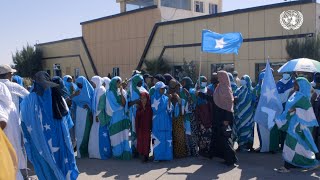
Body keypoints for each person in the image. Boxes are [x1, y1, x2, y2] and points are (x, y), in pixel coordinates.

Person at [21, 71, 79, 180]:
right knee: (62, 167)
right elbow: (68, 123)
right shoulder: (58, 97)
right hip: (59, 142)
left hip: (39, 144)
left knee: (46, 170)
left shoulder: (26, 102)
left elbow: (24, 124)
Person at [275, 77, 319, 173]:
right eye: (294, 84)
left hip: (299, 126)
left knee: (292, 144)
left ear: (301, 85)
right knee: (296, 146)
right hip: (293, 123)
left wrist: (296, 110)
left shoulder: (304, 97)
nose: (294, 86)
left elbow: (308, 113)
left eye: (296, 84)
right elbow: (289, 108)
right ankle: (293, 165)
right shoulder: (295, 94)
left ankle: (288, 166)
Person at [211, 70, 238, 166]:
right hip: (219, 117)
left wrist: (226, 120)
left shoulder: (226, 89)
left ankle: (231, 159)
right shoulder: (219, 87)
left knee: (225, 140)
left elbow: (228, 105)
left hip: (225, 119)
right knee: (223, 140)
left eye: (219, 76)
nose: (218, 78)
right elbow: (214, 100)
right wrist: (201, 95)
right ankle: (228, 158)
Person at [0, 82, 25, 179]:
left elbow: (3, 122)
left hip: (5, 143)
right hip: (13, 142)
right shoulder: (11, 105)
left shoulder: (2, 105)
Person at [106, 76, 132, 160]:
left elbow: (124, 104)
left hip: (122, 116)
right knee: (115, 136)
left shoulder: (123, 92)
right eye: (117, 82)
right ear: (113, 83)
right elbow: (111, 105)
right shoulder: (109, 92)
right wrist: (119, 105)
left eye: (120, 82)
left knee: (124, 135)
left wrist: (121, 93)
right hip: (114, 116)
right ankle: (117, 153)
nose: (119, 84)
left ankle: (125, 152)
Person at [88, 76, 112, 160]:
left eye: (93, 82)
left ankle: (103, 153)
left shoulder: (101, 90)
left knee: (101, 134)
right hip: (95, 114)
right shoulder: (96, 90)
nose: (92, 84)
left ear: (97, 81)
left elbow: (101, 104)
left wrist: (97, 115)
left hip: (100, 115)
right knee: (94, 134)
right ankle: (95, 153)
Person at [72, 76, 94, 158]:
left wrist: (89, 107)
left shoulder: (90, 91)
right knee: (79, 132)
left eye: (80, 83)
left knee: (86, 132)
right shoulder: (77, 91)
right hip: (78, 113)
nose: (78, 85)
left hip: (86, 113)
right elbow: (73, 102)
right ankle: (80, 153)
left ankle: (85, 151)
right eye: (77, 83)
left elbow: (93, 102)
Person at [151, 81, 173, 161]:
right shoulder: (153, 98)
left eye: (164, 88)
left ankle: (167, 156)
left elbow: (170, 110)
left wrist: (169, 101)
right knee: (157, 139)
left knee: (166, 138)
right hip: (157, 122)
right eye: (162, 88)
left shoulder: (166, 98)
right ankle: (157, 156)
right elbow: (155, 110)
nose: (163, 90)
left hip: (166, 121)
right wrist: (166, 101)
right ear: (157, 89)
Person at [234, 75, 255, 151]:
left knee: (249, 129)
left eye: (244, 79)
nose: (242, 80)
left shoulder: (252, 91)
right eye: (241, 79)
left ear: (248, 80)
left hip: (249, 114)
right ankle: (241, 145)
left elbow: (254, 101)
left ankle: (249, 145)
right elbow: (234, 98)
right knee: (240, 129)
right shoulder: (238, 90)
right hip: (239, 115)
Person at [128, 74, 147, 156]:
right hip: (133, 115)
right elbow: (128, 104)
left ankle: (141, 150)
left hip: (142, 115)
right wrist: (136, 101)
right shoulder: (130, 91)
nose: (140, 83)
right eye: (139, 81)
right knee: (134, 132)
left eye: (141, 81)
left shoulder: (144, 91)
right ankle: (134, 150)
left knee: (141, 132)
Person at [169, 79, 188, 158]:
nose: (174, 89)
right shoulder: (169, 93)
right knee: (173, 136)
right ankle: (174, 152)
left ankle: (180, 153)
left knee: (179, 136)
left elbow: (183, 106)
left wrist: (178, 99)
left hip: (179, 118)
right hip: (171, 118)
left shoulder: (181, 93)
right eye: (172, 87)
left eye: (176, 87)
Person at [195, 76, 213, 158]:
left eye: (205, 81)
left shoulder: (209, 90)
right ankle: (202, 149)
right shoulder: (195, 91)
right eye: (203, 81)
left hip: (208, 114)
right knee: (201, 133)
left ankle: (208, 149)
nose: (204, 82)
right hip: (200, 115)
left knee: (208, 132)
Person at [181, 77, 199, 157]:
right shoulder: (181, 92)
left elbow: (194, 104)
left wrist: (188, 95)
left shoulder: (192, 91)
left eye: (184, 83)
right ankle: (188, 151)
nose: (182, 84)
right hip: (184, 117)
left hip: (192, 116)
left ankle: (194, 151)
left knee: (193, 134)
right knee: (186, 135)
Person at [135, 92, 153, 162]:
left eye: (144, 98)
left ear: (147, 98)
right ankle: (142, 153)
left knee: (146, 140)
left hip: (147, 128)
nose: (143, 100)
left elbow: (150, 118)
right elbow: (137, 118)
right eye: (141, 99)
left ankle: (146, 155)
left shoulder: (149, 107)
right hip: (140, 128)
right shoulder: (139, 108)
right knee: (141, 140)